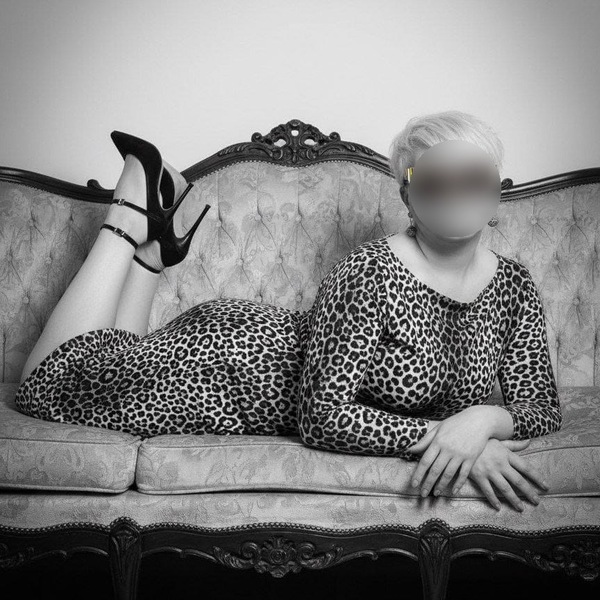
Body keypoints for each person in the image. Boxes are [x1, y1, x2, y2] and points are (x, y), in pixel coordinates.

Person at [15, 112, 561, 513]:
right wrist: (447, 438)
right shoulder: (368, 271)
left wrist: (482, 422)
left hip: (241, 353)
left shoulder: (514, 285)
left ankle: (154, 246)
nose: (458, 193)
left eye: (475, 178)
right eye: (437, 181)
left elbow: (540, 405)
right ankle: (131, 209)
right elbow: (322, 417)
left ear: (498, 190)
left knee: (115, 359)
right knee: (42, 388)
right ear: (407, 194)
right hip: (228, 369)